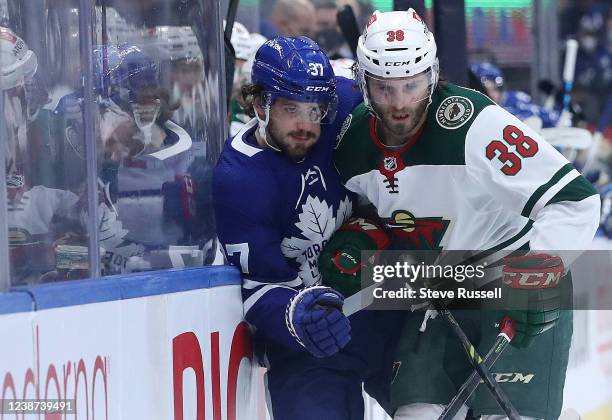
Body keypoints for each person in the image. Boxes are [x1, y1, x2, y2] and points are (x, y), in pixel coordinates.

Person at [333, 10, 600, 419]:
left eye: (413, 84)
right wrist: (361, 237)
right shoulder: (350, 144)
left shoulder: (474, 123)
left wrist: (533, 276)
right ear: (363, 83)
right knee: (415, 414)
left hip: (513, 283)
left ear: (433, 74)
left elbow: (577, 201)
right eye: (385, 88)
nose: (401, 103)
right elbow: (372, 215)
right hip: (440, 291)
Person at [213, 36, 399, 419]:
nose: (306, 124)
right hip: (317, 343)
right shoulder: (240, 179)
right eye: (290, 108)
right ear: (257, 102)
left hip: (391, 311)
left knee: (452, 403)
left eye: (316, 110)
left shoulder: (348, 106)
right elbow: (258, 284)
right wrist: (296, 314)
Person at [469, 62, 560, 128]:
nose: (493, 95)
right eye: (487, 89)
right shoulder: (469, 108)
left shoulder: (514, 100)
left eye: (496, 89)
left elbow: (551, 118)